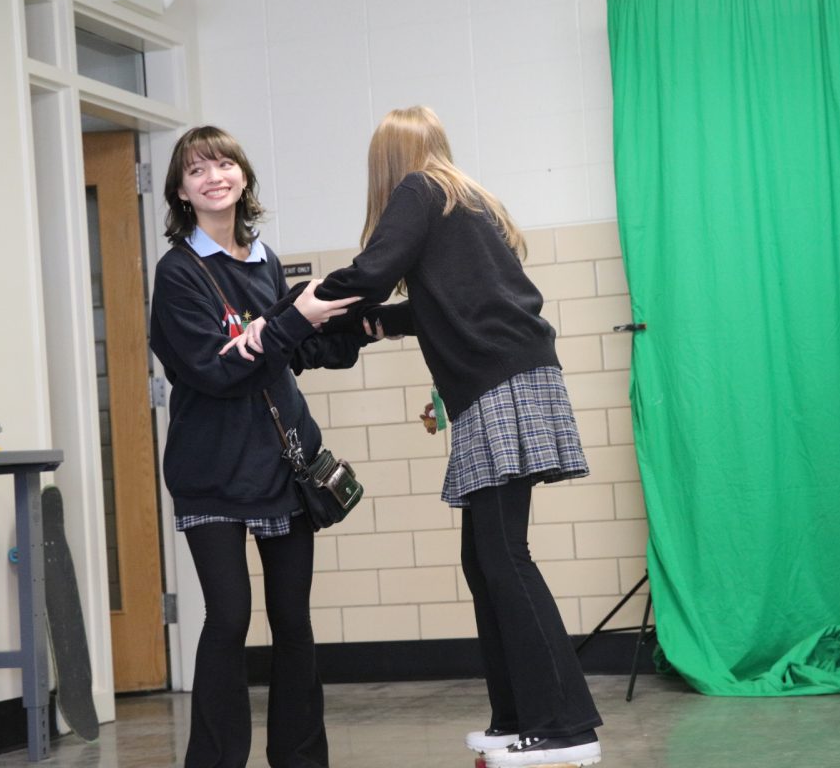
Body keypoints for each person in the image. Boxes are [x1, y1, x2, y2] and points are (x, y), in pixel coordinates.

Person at [238, 106, 603, 767]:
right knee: (485, 558)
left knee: (505, 556)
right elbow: (452, 300)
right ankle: (517, 717)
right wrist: (375, 324)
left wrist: (291, 316)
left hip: (501, 385)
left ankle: (566, 726)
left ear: (386, 161)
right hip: (510, 378)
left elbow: (370, 275)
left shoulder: (419, 189)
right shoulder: (463, 197)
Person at [148, 125, 367, 768]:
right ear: (181, 192)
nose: (213, 177)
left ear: (243, 177)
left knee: (293, 620)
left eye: (224, 164)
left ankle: (301, 758)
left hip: (281, 466)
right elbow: (215, 370)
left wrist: (358, 327)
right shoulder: (177, 274)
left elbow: (285, 354)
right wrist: (293, 321)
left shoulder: (265, 259)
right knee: (228, 618)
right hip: (211, 472)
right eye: (197, 170)